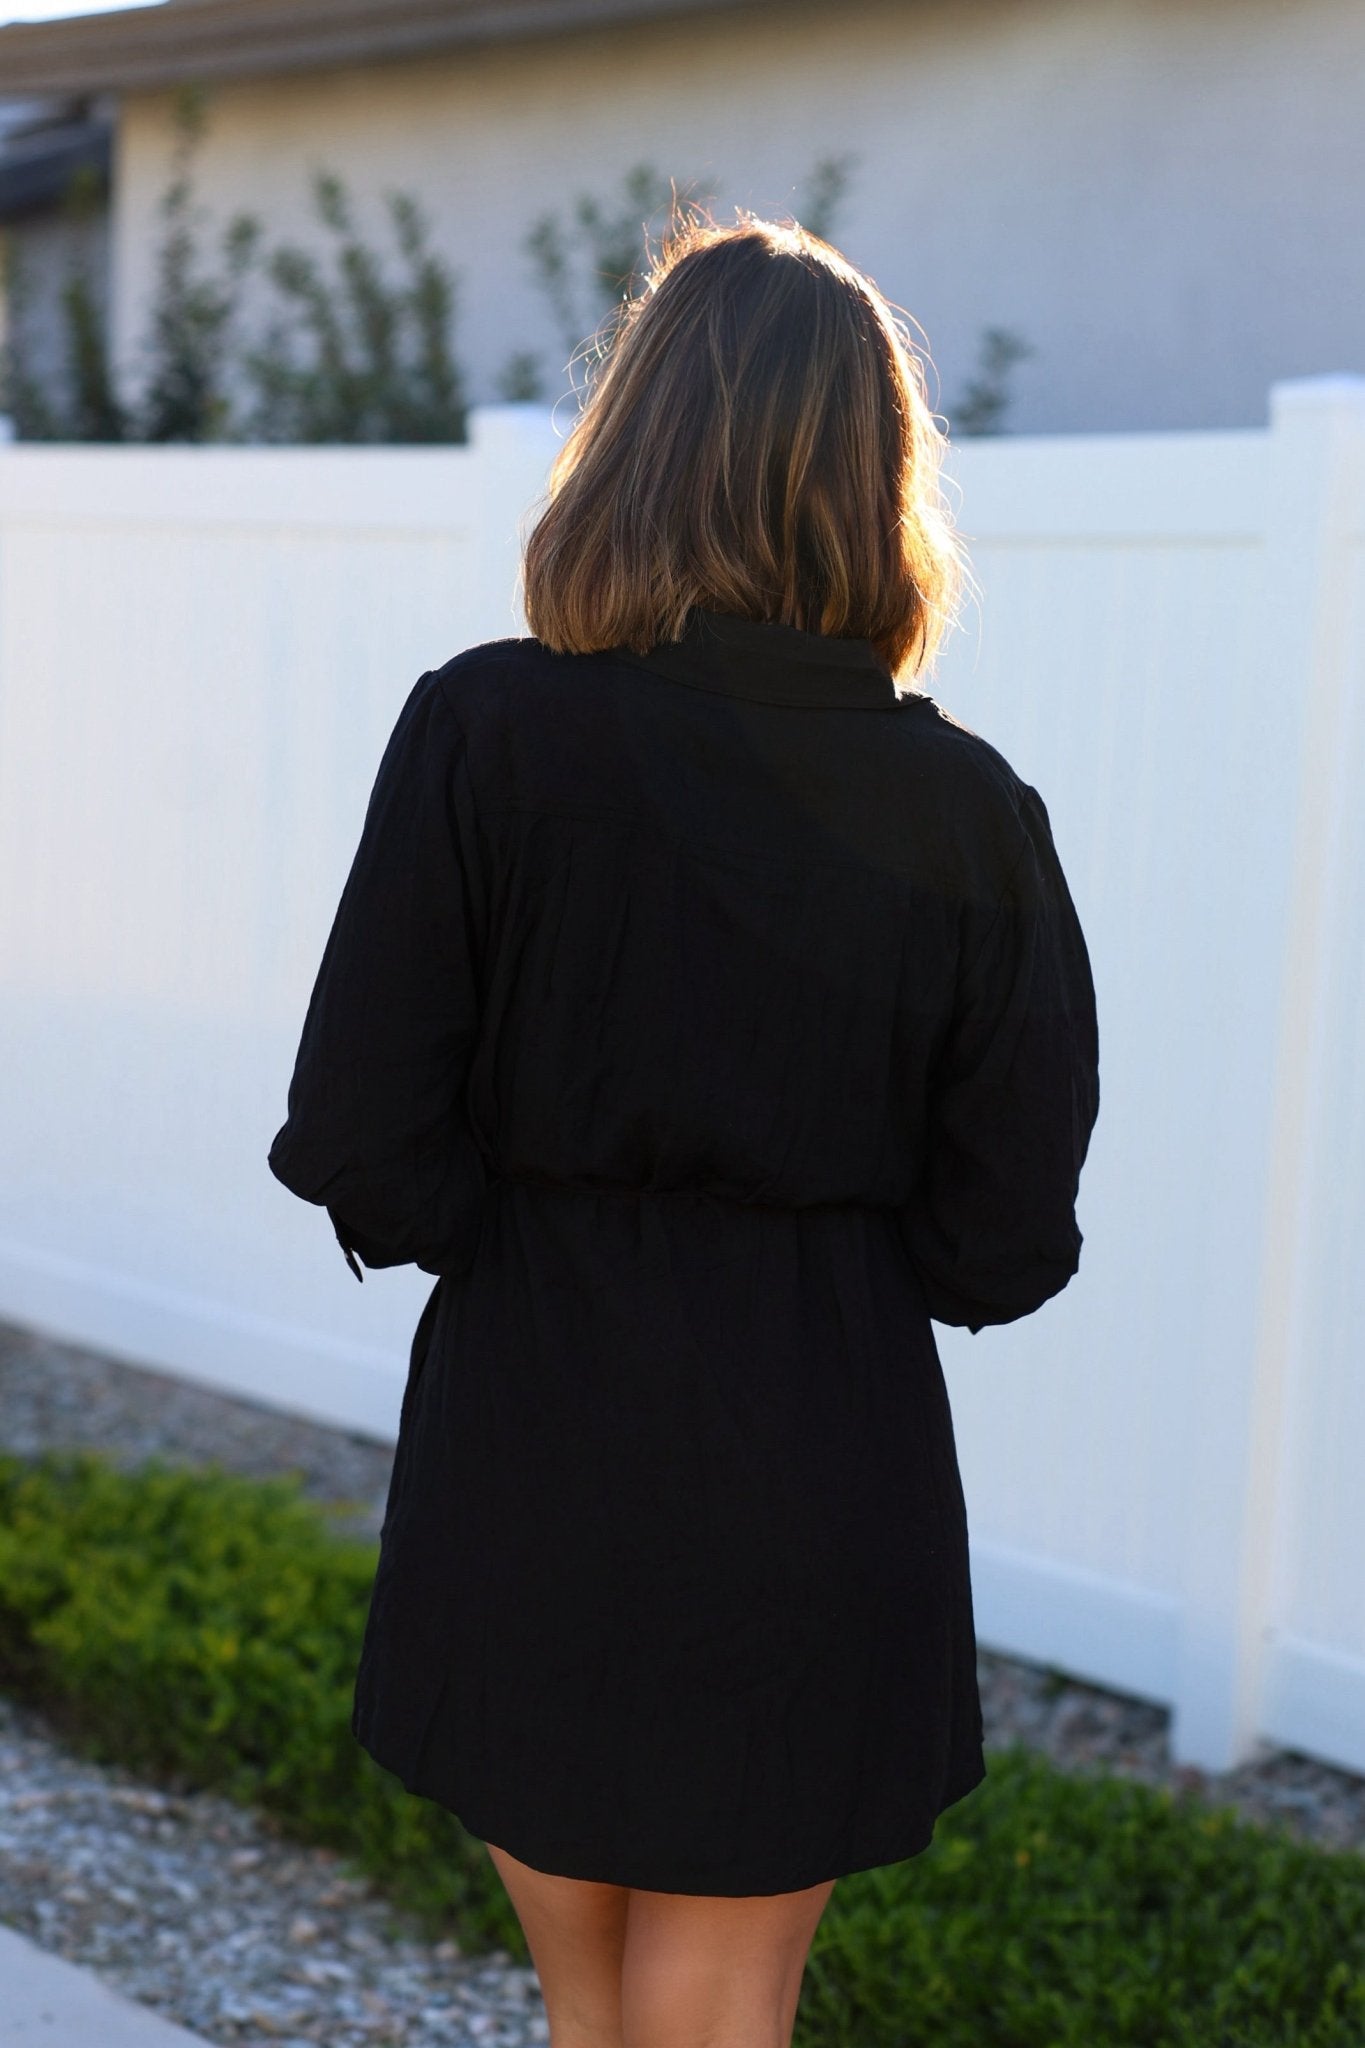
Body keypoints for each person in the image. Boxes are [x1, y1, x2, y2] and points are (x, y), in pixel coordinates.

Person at [267, 212, 1100, 2048]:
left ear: (631, 447)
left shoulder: (485, 732)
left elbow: (356, 1129)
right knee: (718, 2007)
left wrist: (542, 1236)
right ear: (876, 485)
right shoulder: (967, 813)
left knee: (592, 2011)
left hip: (533, 1440)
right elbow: (1003, 1240)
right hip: (816, 1459)